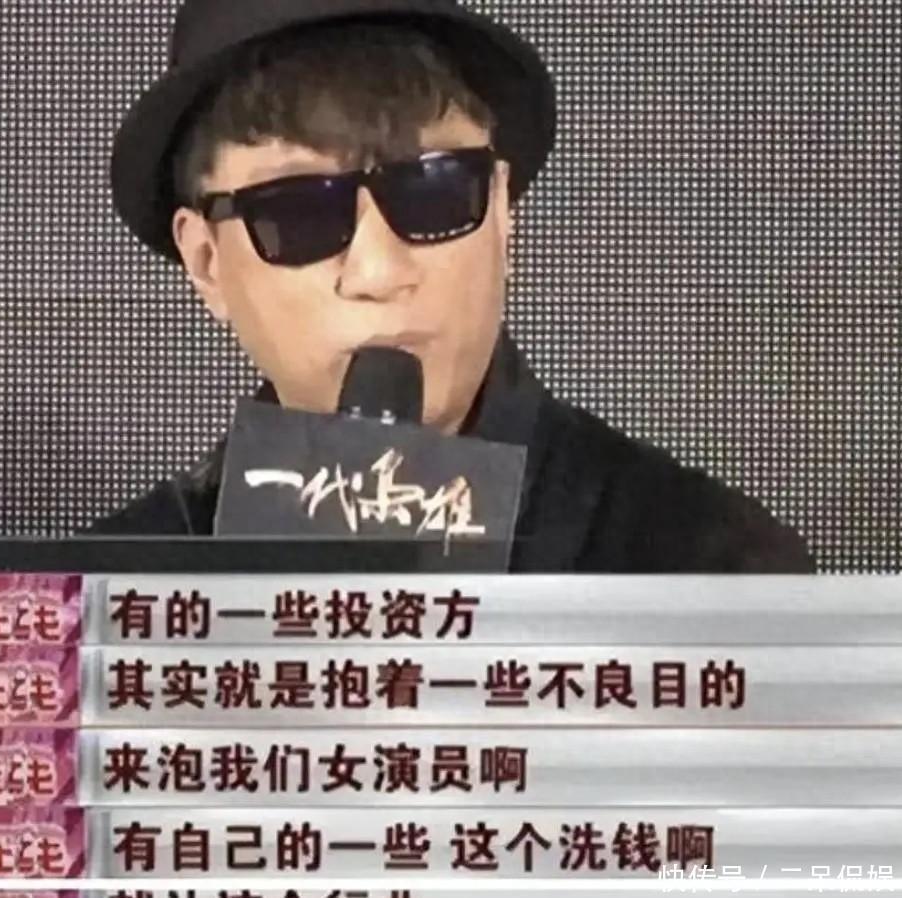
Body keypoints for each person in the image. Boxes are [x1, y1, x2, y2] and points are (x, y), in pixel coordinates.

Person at [93, 0, 814, 573]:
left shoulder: (713, 571)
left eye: (433, 191)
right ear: (207, 263)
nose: (379, 270)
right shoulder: (101, 614)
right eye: (297, 212)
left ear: (501, 214)